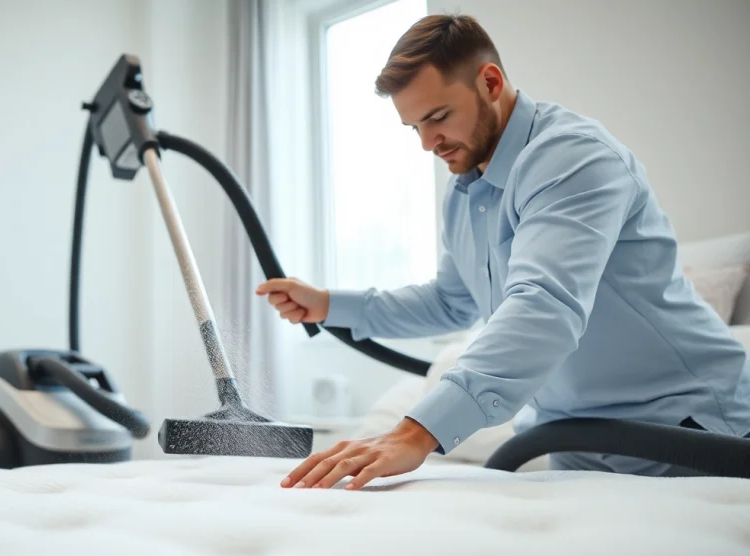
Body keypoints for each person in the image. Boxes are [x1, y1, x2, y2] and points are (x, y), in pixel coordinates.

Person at [256, 13, 750, 489]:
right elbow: (450, 302)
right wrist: (329, 305)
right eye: (414, 128)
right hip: (576, 445)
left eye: (438, 117)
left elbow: (544, 305)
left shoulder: (573, 157)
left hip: (690, 432)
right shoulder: (464, 193)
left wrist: (415, 433)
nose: (428, 143)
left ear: (490, 82)